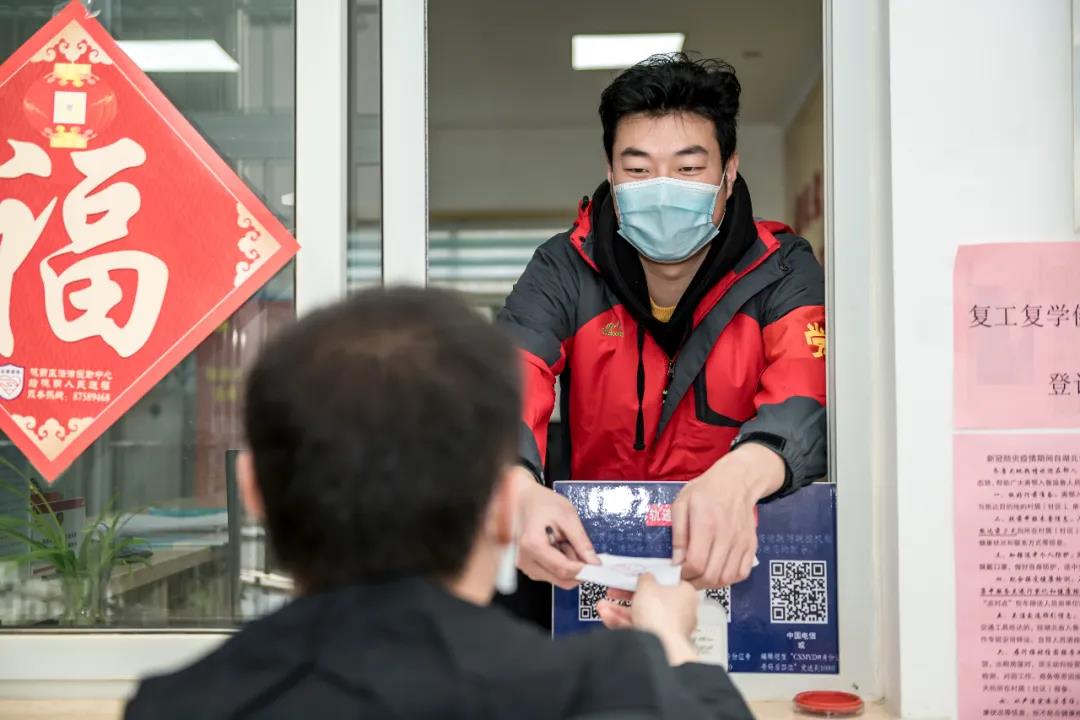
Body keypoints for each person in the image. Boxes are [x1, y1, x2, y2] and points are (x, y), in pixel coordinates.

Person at [124, 287, 754, 719]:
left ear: (252, 491)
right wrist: (670, 642)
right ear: (505, 508)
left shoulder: (173, 707)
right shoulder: (603, 689)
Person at [499, 54, 827, 600]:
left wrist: (741, 475)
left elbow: (807, 396)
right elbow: (505, 378)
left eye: (688, 169)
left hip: (737, 557)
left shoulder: (782, 270)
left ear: (729, 171)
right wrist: (517, 485)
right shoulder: (566, 267)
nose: (663, 188)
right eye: (638, 170)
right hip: (596, 560)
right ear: (611, 174)